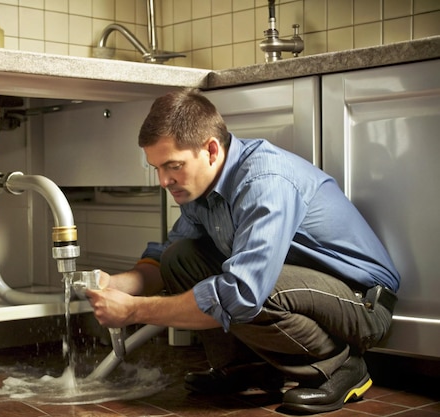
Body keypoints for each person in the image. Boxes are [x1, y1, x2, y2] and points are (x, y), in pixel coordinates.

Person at [85, 88, 400, 414]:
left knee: (252, 288)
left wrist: (134, 311)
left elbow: (244, 292)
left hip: (361, 302)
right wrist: (117, 285)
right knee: (179, 257)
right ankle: (245, 368)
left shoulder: (263, 180)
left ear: (210, 149)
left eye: (173, 166)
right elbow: (167, 255)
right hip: (301, 287)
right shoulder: (197, 187)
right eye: (156, 169)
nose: (164, 180)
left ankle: (340, 367)